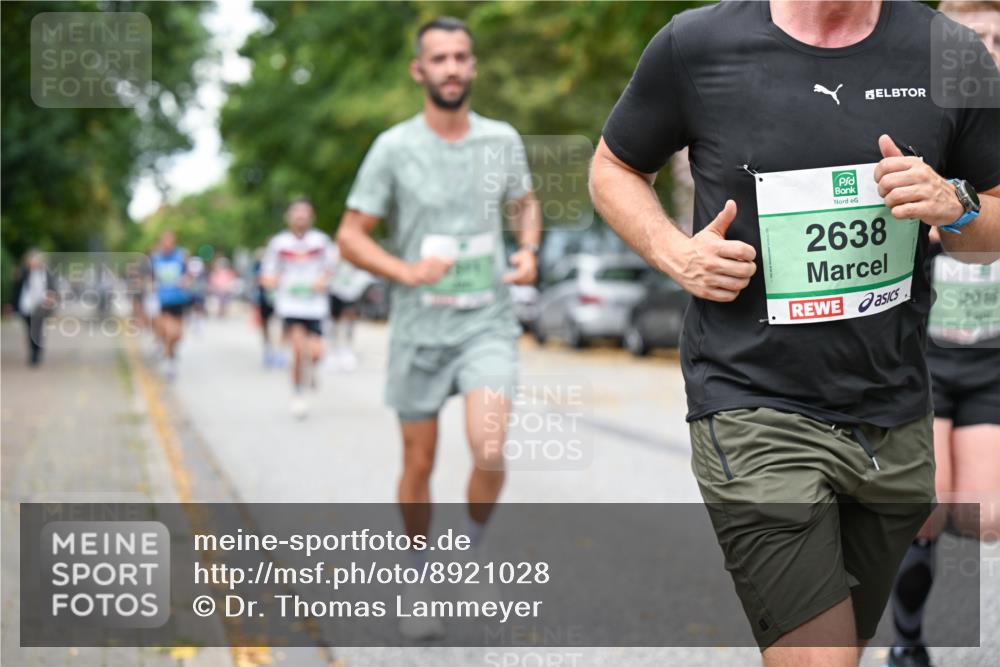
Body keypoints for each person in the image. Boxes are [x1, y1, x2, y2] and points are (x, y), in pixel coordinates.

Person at [589, 1, 999, 664]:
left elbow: (994, 226)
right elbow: (614, 167)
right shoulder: (697, 43)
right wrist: (674, 252)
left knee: (836, 646)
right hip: (752, 402)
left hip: (893, 421)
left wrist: (958, 207)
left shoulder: (951, 50)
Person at [336, 16, 541, 639]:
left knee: (488, 444)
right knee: (418, 462)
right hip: (420, 327)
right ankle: (419, 570)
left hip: (486, 320)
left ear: (473, 67)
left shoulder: (501, 139)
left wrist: (529, 249)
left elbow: (524, 202)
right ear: (418, 71)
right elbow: (349, 235)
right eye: (439, 58)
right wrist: (404, 269)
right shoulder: (393, 147)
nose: (451, 68)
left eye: (461, 57)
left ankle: (470, 551)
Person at [886, 4, 1000, 666]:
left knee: (982, 514)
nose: (982, 49)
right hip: (923, 352)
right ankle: (907, 645)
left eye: (995, 38)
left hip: (992, 355)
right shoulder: (918, 120)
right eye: (970, 38)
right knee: (922, 508)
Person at [261, 199, 336, 419]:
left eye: (305, 213)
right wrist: (272, 283)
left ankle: (311, 370)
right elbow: (268, 272)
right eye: (297, 213)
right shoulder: (278, 243)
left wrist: (322, 280)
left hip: (315, 306)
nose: (301, 217)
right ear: (289, 217)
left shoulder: (321, 241)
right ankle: (297, 394)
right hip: (291, 306)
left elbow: (331, 268)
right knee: (297, 350)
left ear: (311, 217)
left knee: (315, 353)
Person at [149, 231, 191, 380]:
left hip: (179, 300)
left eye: (170, 241)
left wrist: (186, 280)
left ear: (173, 242)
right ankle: (170, 363)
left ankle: (170, 353)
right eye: (164, 241)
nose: (167, 244)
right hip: (163, 301)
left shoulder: (181, 256)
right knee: (169, 332)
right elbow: (150, 277)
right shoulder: (155, 258)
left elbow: (189, 273)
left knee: (178, 335)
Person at [326, 250, 374, 372]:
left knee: (349, 320)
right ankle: (333, 349)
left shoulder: (357, 254)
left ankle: (347, 349)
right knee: (334, 322)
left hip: (352, 292)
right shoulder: (334, 253)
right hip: (335, 291)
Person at [12, 249, 56, 366]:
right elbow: (16, 290)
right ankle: (33, 351)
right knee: (29, 330)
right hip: (26, 306)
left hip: (41, 306)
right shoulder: (22, 273)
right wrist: (12, 305)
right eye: (32, 260)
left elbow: (51, 288)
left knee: (37, 330)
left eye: (36, 260)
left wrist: (50, 298)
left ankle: (36, 353)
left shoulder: (45, 273)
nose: (34, 262)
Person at [252, 247, 283, 369]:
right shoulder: (260, 263)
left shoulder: (282, 263)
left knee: (278, 325)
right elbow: (257, 280)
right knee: (265, 325)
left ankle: (278, 351)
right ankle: (268, 349)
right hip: (264, 298)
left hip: (280, 299)